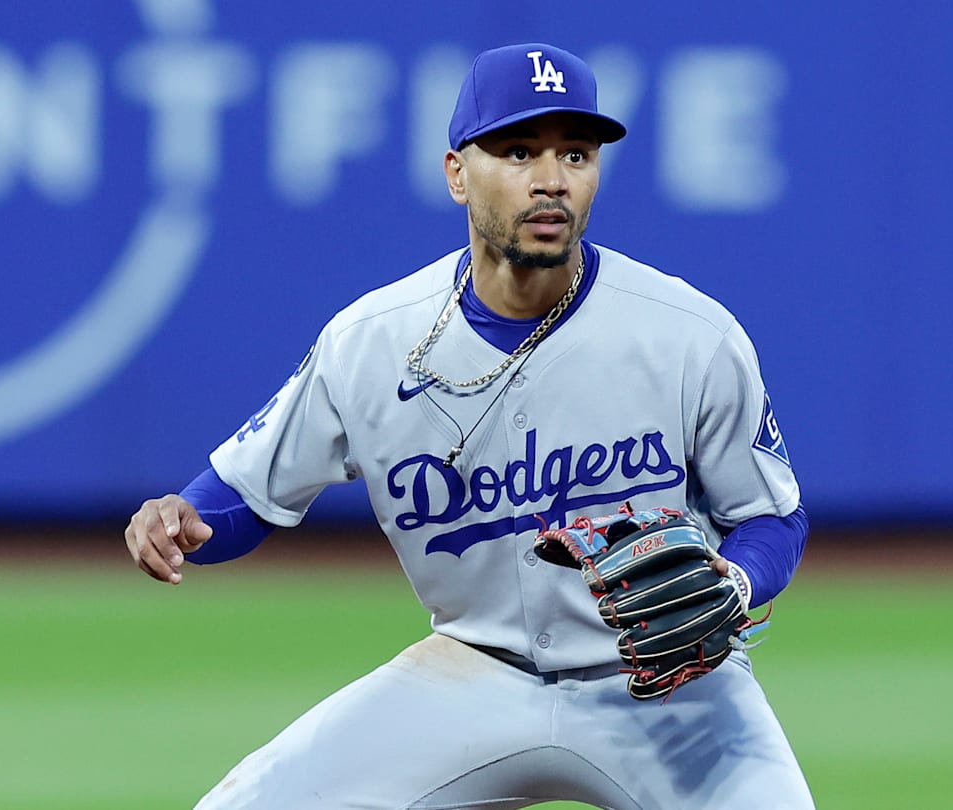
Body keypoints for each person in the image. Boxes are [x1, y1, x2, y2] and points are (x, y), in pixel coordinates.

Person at [124, 42, 815, 809]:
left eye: (576, 154)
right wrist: (181, 517)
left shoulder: (688, 333)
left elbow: (772, 516)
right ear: (457, 173)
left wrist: (736, 580)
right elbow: (242, 496)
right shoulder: (371, 340)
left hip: (670, 685)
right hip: (473, 673)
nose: (552, 180)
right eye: (519, 152)